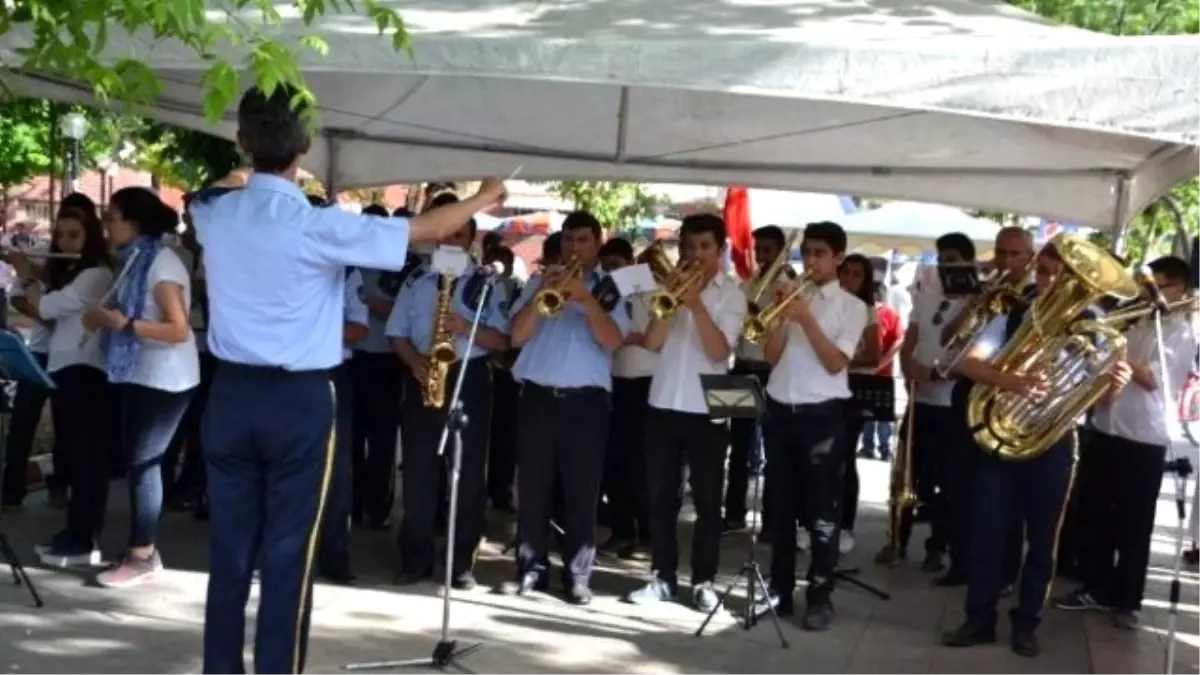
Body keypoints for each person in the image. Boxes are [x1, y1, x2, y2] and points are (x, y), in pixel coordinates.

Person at [187, 84, 506, 675]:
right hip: (299, 401)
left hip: (229, 392)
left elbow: (227, 186)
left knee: (230, 553)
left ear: (242, 140)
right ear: (306, 146)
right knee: (288, 556)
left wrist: (254, 163)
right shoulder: (319, 225)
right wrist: (486, 195)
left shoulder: (210, 211)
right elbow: (429, 231)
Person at [942, 243, 1132, 657]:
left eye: (1058, 276)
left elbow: (1098, 401)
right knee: (988, 533)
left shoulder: (1093, 328)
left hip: (1053, 444)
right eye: (1044, 272)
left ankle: (1027, 622)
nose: (1048, 282)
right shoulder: (1014, 315)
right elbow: (967, 363)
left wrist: (1113, 386)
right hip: (1001, 441)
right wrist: (1014, 383)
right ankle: (979, 617)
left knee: (1043, 542)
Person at [1056, 256, 1196, 629]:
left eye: (1155, 286)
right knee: (1095, 515)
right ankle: (1096, 587)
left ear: (1178, 288)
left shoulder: (1180, 331)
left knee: (1134, 524)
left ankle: (1127, 600)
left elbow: (1154, 379)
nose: (1143, 294)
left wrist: (1117, 348)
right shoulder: (1136, 323)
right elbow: (1104, 367)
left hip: (1144, 438)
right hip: (1107, 426)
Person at [500, 211, 628, 605]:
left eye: (583, 240)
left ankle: (577, 575)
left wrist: (587, 302)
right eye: (570, 240)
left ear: (597, 243)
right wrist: (541, 299)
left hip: (585, 404)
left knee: (581, 491)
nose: (575, 248)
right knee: (534, 490)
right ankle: (531, 569)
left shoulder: (609, 289)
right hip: (538, 396)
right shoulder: (540, 282)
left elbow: (613, 342)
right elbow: (516, 336)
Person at [74, 188, 200, 589]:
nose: (106, 226)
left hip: (166, 377)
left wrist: (122, 325)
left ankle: (143, 553)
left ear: (136, 222)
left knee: (146, 464)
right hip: (141, 372)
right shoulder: (134, 260)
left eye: (112, 218)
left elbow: (179, 329)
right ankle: (141, 547)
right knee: (140, 462)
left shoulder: (160, 264)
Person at [624, 214, 746, 611]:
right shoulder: (668, 288)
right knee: (661, 496)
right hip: (663, 400)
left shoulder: (733, 295)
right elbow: (653, 343)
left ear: (721, 250)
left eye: (705, 247)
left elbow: (718, 352)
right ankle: (662, 576)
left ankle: (704, 581)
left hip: (709, 404)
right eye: (689, 247)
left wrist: (695, 306)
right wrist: (672, 303)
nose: (695, 255)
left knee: (709, 500)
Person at [753, 221, 868, 631]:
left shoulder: (853, 307)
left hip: (823, 416)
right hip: (781, 410)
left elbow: (836, 362)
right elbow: (770, 355)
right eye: (808, 252)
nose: (812, 261)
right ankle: (781, 591)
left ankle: (820, 596)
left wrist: (806, 319)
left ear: (838, 258)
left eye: (821, 253)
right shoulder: (788, 296)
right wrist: (783, 315)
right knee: (780, 509)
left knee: (822, 515)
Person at [389, 211, 509, 589]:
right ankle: (414, 559)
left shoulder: (487, 282)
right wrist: (414, 362)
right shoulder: (417, 279)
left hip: (469, 376)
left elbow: (505, 341)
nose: (452, 240)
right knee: (419, 474)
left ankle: (461, 564)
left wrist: (465, 326)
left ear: (471, 240)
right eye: (447, 234)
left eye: (460, 234)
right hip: (424, 373)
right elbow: (396, 333)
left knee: (468, 475)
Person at [9, 207, 112, 565]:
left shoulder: (97, 274)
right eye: (61, 235)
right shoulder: (74, 272)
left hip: (85, 372)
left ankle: (84, 539)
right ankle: (74, 532)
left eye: (74, 236)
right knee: (74, 453)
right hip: (66, 367)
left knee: (86, 460)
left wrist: (27, 275)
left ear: (91, 237)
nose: (64, 242)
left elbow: (48, 307)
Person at [937, 227, 1033, 588]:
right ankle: (962, 563)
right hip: (967, 389)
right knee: (959, 483)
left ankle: (1005, 572)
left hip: (1006, 397)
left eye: (1015, 254)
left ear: (1029, 257)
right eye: (1002, 253)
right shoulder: (986, 290)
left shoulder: (1034, 296)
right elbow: (949, 340)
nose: (1007, 261)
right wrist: (976, 303)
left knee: (1002, 490)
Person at [883, 233, 973, 573]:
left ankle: (938, 547)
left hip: (953, 405)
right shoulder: (925, 298)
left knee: (948, 481)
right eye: (942, 260)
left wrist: (933, 374)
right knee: (907, 475)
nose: (946, 268)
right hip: (921, 403)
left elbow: (967, 354)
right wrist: (910, 372)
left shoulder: (975, 304)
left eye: (952, 260)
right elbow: (910, 344)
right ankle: (897, 540)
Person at [727, 225, 795, 534]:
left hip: (773, 371)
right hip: (742, 365)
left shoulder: (791, 288)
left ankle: (771, 521)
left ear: (782, 252)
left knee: (774, 449)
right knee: (737, 447)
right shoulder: (744, 286)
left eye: (769, 250)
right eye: (759, 250)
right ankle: (733, 514)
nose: (763, 257)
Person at [349, 203, 410, 530]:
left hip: (388, 360)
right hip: (354, 358)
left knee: (383, 440)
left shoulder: (396, 265)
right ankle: (353, 504)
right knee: (353, 438)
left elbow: (401, 314)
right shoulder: (350, 263)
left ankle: (378, 508)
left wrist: (373, 304)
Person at [597, 238, 655, 559]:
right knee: (614, 461)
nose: (611, 271)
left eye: (617, 264)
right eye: (607, 265)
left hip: (643, 382)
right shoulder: (602, 290)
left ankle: (646, 533)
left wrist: (625, 337)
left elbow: (650, 335)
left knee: (640, 463)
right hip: (611, 381)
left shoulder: (645, 286)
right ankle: (621, 530)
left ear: (630, 261)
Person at [318, 264, 369, 585]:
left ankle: (334, 555)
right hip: (284, 372)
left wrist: (314, 327)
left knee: (336, 471)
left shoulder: (347, 272)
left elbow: (359, 328)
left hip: (331, 373)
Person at [834, 253, 881, 555]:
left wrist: (842, 360)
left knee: (845, 460)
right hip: (826, 387)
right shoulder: (827, 304)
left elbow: (874, 356)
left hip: (852, 389)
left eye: (856, 275)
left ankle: (845, 524)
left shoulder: (866, 311)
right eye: (846, 273)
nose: (849, 279)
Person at [860, 282, 903, 461]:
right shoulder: (862, 312)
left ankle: (885, 448)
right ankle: (867, 446)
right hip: (864, 370)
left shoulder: (889, 314)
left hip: (883, 372)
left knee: (883, 414)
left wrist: (883, 361)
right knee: (866, 412)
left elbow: (899, 339)